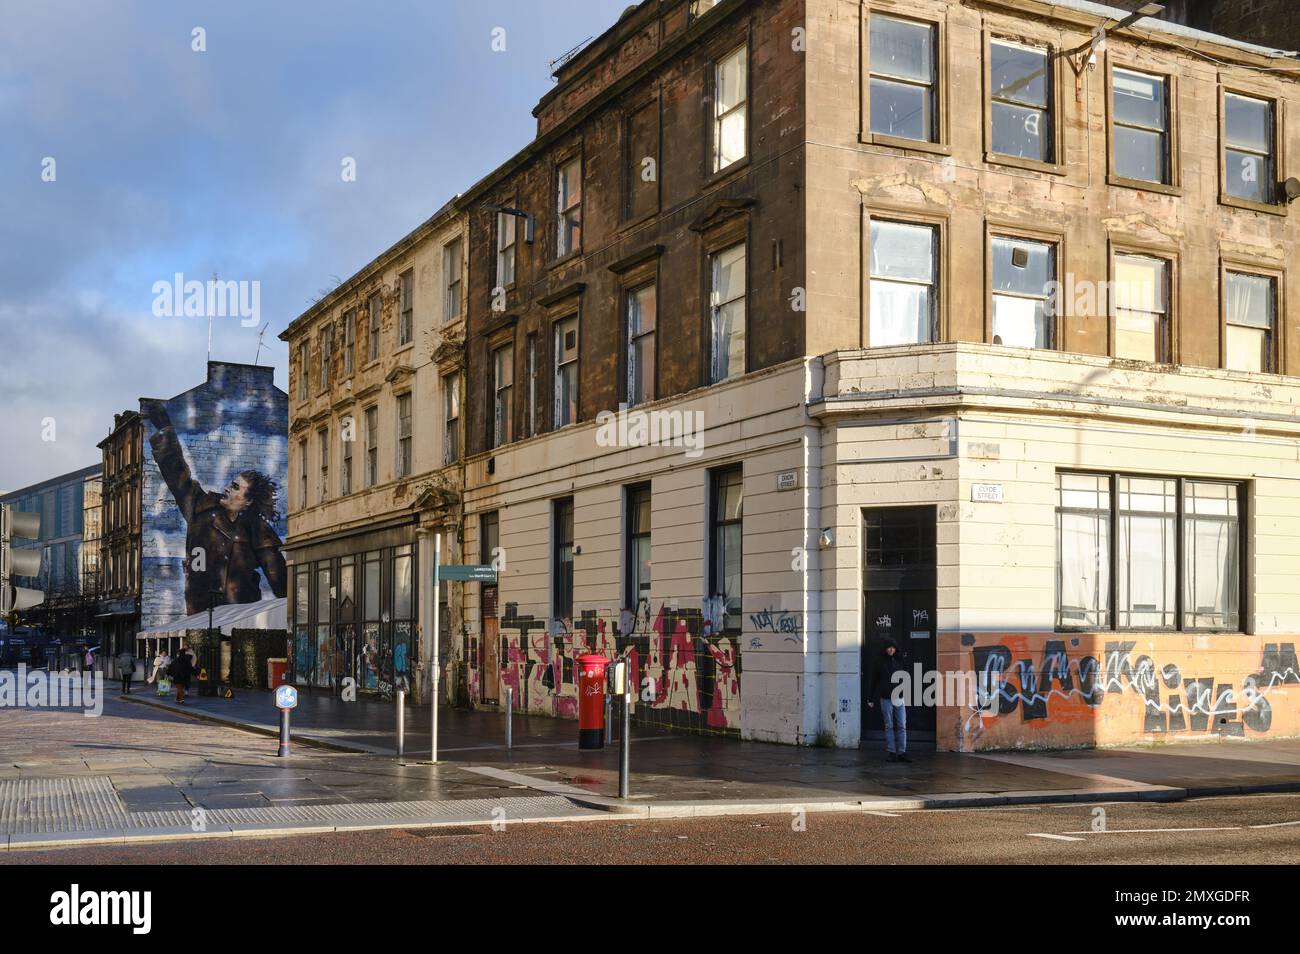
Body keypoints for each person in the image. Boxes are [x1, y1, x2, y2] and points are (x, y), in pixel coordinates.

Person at [141, 400, 288, 615]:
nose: (228, 488)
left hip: (240, 616)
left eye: (236, 487)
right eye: (231, 483)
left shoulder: (258, 529)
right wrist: (165, 430)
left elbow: (280, 580)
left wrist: (292, 616)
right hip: (200, 612)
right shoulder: (199, 506)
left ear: (248, 501)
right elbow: (176, 471)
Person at [867, 637, 911, 763]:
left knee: (902, 725)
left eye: (893, 647)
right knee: (889, 725)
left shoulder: (900, 660)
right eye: (889, 647)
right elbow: (873, 680)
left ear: (895, 648)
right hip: (885, 697)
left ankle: (902, 752)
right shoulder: (879, 662)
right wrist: (870, 697)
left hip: (899, 696)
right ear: (885, 648)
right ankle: (892, 752)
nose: (891, 649)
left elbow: (906, 676)